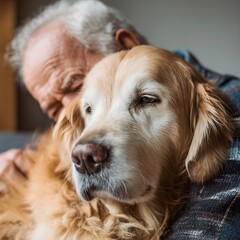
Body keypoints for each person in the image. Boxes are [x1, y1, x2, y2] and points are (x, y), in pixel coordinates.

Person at [0, 0, 240, 238]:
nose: (74, 117)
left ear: (124, 45)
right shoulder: (59, 153)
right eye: (53, 108)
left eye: (75, 84)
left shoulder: (226, 106)